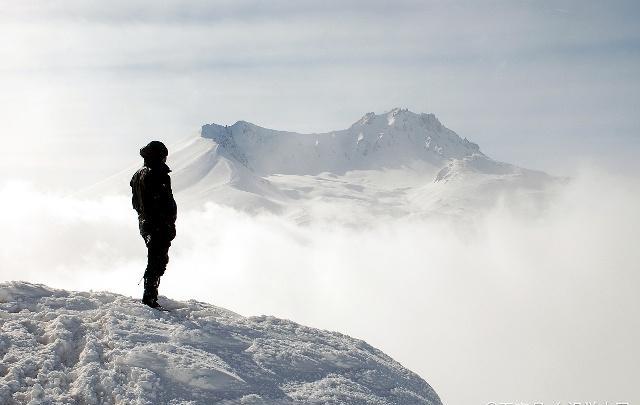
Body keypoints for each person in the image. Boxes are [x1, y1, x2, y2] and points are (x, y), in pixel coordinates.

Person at [130, 141, 177, 309]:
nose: (165, 159)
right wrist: (167, 223)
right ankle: (149, 297)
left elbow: (136, 203)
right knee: (157, 260)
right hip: (158, 224)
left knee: (155, 259)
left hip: (146, 223)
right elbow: (163, 202)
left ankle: (150, 295)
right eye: (163, 156)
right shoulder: (157, 174)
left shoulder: (137, 175)